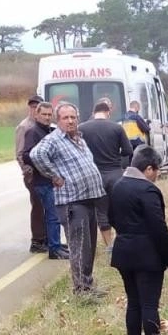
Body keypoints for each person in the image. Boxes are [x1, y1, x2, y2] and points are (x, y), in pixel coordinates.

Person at [29, 103, 108, 297]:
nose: (70, 121)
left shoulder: (78, 138)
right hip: (72, 202)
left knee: (88, 247)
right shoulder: (55, 139)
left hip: (88, 199)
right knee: (79, 247)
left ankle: (88, 286)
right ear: (58, 120)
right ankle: (81, 291)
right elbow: (35, 154)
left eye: (73, 117)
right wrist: (54, 176)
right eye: (65, 118)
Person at [109, 146, 168, 335]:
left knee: (134, 302)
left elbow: (110, 217)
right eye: (157, 170)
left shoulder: (118, 185)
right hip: (147, 256)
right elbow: (158, 227)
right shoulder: (148, 190)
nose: (157, 175)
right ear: (148, 169)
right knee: (149, 303)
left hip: (123, 253)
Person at [78, 99, 133, 249]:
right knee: (120, 209)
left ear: (93, 113)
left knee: (101, 211)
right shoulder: (117, 128)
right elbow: (128, 151)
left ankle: (109, 246)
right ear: (108, 112)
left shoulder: (82, 128)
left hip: (95, 176)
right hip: (116, 174)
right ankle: (123, 241)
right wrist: (116, 157)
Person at [21, 102, 67, 260]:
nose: (47, 117)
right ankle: (54, 249)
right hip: (43, 180)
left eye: (49, 114)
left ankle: (56, 243)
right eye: (44, 114)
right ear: (36, 115)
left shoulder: (51, 131)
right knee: (52, 215)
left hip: (52, 180)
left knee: (55, 214)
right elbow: (26, 155)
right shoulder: (33, 132)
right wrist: (43, 160)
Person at [15, 94, 47, 253]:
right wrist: (28, 171)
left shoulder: (43, 125)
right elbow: (20, 153)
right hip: (32, 174)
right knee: (38, 206)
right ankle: (37, 240)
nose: (35, 109)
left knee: (47, 206)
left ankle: (46, 238)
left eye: (37, 106)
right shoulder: (25, 126)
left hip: (44, 174)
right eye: (33, 106)